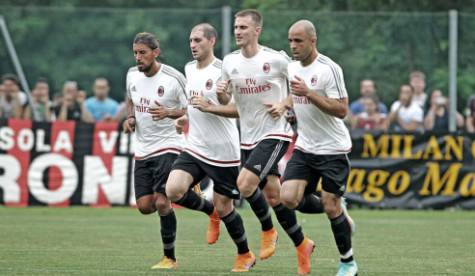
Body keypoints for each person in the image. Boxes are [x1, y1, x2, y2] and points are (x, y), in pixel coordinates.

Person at [216, 9, 314, 275]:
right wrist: (221, 95)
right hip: (247, 136)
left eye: (243, 27)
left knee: (245, 184)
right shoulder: (229, 62)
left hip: (275, 132)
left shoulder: (276, 59)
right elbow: (227, 101)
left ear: (256, 30)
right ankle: (302, 244)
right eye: (236, 27)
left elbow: (300, 87)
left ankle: (268, 230)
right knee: (273, 195)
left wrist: (284, 103)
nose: (238, 31)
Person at [123, 32, 218, 270]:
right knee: (145, 206)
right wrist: (131, 118)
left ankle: (170, 258)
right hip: (143, 150)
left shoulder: (174, 78)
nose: (138, 58)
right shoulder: (132, 75)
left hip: (169, 145)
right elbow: (131, 99)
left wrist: (169, 113)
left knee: (163, 203)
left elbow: (191, 108)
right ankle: (210, 208)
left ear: (156, 52)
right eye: (135, 53)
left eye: (143, 53)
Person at [165, 23, 255, 272]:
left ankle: (245, 254)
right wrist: (185, 118)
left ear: (211, 41)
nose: (193, 45)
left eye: (198, 41)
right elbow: (193, 105)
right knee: (173, 190)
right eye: (191, 41)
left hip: (223, 152)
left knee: (226, 207)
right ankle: (210, 212)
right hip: (195, 147)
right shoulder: (188, 68)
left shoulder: (224, 71)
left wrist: (212, 105)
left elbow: (239, 110)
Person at [280, 20, 358, 276]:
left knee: (330, 205)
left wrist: (310, 93)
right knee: (288, 198)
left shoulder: (329, 68)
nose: (293, 45)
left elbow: (342, 109)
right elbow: (295, 96)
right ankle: (337, 208)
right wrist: (287, 106)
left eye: (298, 41)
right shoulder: (291, 68)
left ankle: (348, 263)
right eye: (291, 40)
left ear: (312, 41)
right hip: (305, 146)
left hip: (333, 149)